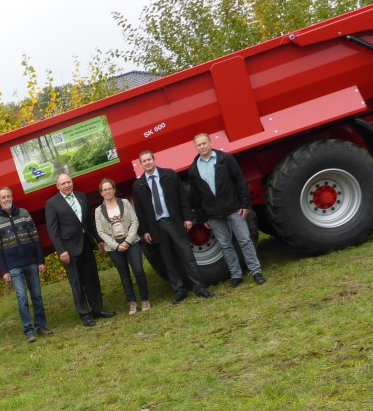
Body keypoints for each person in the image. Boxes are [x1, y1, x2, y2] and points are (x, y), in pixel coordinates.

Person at [131, 150, 214, 304]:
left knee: (187, 256)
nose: (147, 162)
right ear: (141, 164)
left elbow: (182, 198)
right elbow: (140, 212)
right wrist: (145, 231)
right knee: (168, 261)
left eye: (149, 159)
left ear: (154, 160)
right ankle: (179, 290)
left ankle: (199, 287)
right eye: (144, 161)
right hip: (156, 228)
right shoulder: (138, 185)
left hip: (173, 222)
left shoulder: (169, 175)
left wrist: (188, 218)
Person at [187, 133, 265, 287]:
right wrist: (203, 218)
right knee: (225, 245)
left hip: (234, 209)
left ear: (210, 143)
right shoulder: (193, 170)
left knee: (245, 241)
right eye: (199, 145)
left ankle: (256, 272)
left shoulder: (226, 159)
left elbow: (240, 181)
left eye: (204, 143)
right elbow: (196, 198)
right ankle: (236, 276)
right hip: (214, 215)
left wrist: (244, 205)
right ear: (195, 147)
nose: (202, 147)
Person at [45, 173, 114, 327]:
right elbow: (53, 231)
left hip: (86, 245)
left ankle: (98, 309)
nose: (67, 185)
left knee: (92, 279)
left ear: (72, 182)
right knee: (77, 283)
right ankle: (84, 314)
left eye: (68, 182)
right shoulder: (52, 204)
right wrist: (61, 250)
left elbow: (90, 222)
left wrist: (99, 240)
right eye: (63, 184)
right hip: (69, 250)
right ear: (58, 187)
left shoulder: (82, 196)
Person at [0, 187, 53, 343]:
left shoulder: (24, 214)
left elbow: (36, 238)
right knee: (22, 298)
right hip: (13, 266)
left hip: (31, 262)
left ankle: (41, 326)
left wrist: (40, 261)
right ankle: (28, 331)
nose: (6, 200)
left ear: (12, 197)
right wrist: (4, 271)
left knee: (37, 295)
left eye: (9, 196)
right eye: (3, 197)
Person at [93, 178, 151, 315]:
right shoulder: (98, 211)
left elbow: (134, 221)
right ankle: (131, 303)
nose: (107, 191)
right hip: (113, 246)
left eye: (110, 188)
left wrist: (128, 241)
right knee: (124, 275)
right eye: (104, 189)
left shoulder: (124, 203)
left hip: (131, 241)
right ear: (101, 193)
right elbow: (100, 231)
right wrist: (115, 245)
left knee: (138, 271)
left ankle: (144, 300)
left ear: (114, 190)